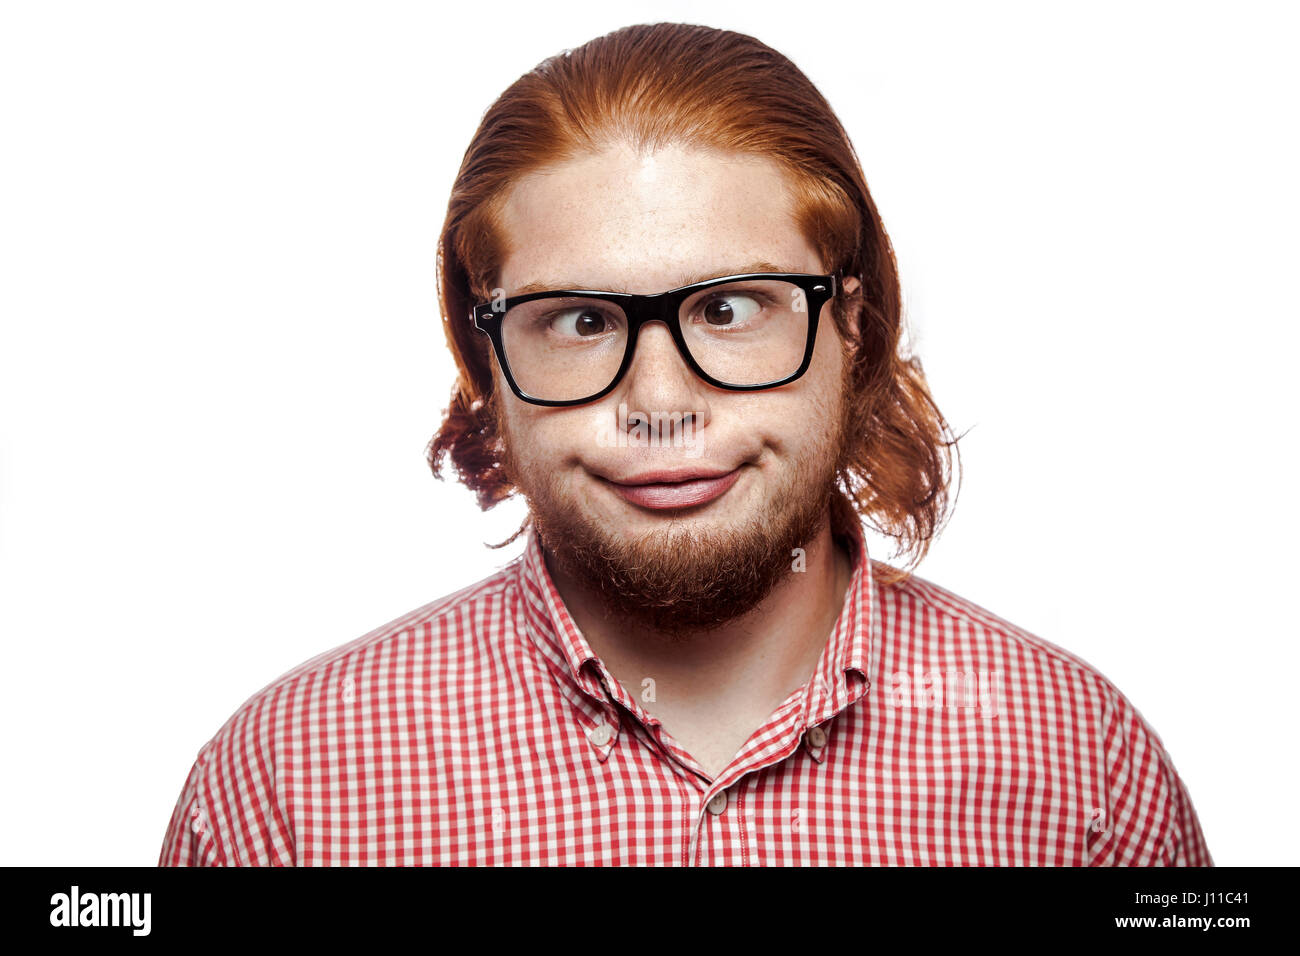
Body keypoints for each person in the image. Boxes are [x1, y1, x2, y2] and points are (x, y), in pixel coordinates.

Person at [159, 21, 1211, 866]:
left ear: (851, 322)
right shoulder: (284, 791)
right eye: (580, 320)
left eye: (729, 310)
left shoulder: (1084, 770)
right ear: (486, 362)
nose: (659, 403)